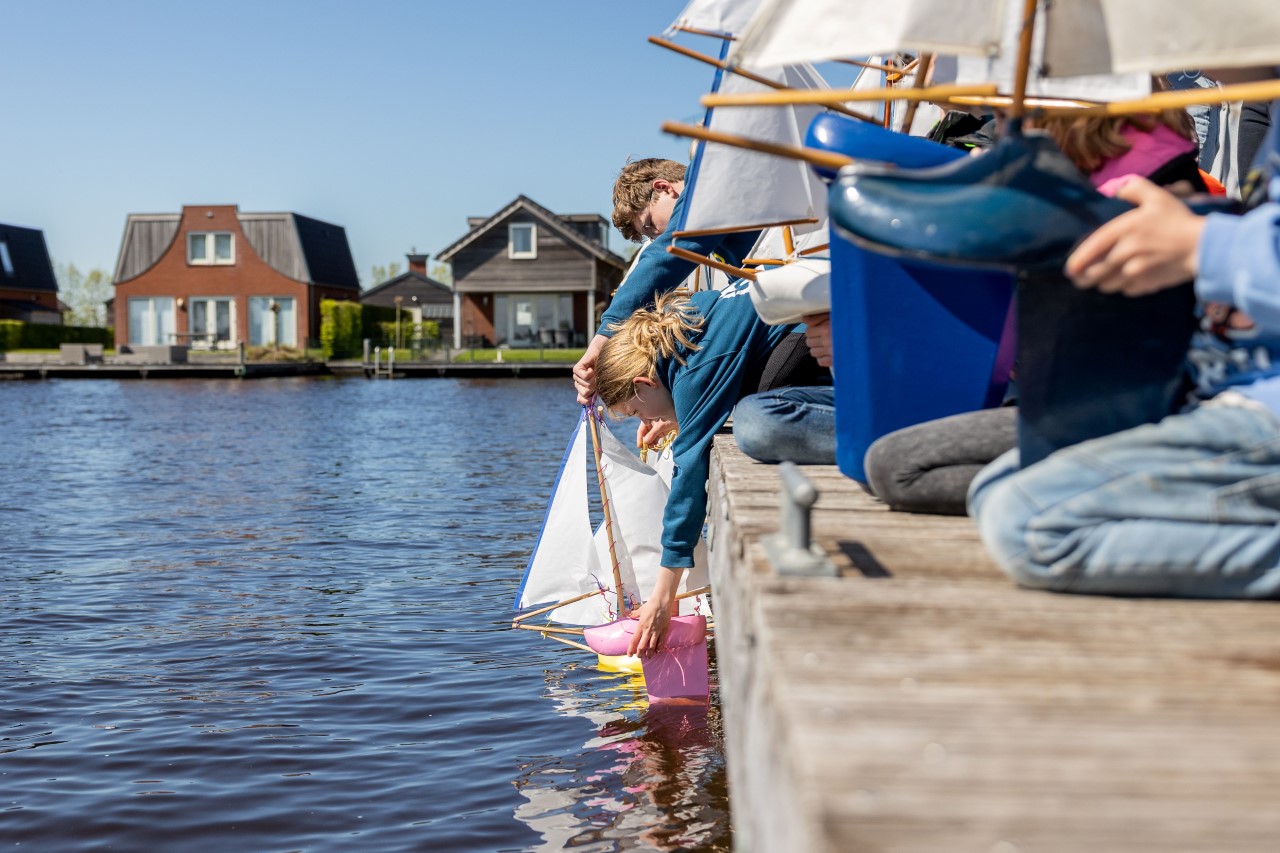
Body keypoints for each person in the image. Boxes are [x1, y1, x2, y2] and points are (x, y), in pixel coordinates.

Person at [967, 79, 1280, 598]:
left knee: (1025, 521)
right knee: (993, 490)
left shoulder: (1136, 171)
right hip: (1224, 394)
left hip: (1235, 402)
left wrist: (1202, 246)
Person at [862, 105, 1204, 515]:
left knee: (894, 465)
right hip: (1086, 395)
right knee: (885, 454)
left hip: (1118, 409)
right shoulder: (1141, 165)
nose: (996, 122)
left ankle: (1121, 490)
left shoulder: (1116, 191)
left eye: (1003, 112)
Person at [594, 288, 834, 655]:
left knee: (754, 420)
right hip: (804, 337)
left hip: (808, 348)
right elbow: (714, 378)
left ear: (644, 383)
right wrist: (678, 419)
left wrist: (663, 595)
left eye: (636, 412)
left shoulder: (695, 370)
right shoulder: (684, 331)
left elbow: (688, 473)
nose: (645, 421)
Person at [573, 158, 762, 444]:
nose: (656, 237)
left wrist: (605, 334)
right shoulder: (724, 236)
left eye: (649, 226)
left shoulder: (710, 187)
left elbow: (666, 255)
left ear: (663, 188)